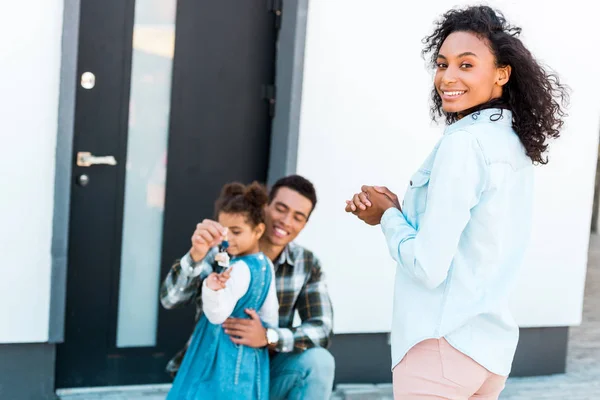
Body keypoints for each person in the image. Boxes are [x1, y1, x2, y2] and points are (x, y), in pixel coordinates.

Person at [345, 6, 568, 400]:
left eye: (467, 64)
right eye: (442, 63)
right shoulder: (513, 142)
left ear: (502, 73)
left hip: (440, 348)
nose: (448, 77)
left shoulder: (464, 143)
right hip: (489, 352)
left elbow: (428, 268)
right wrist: (400, 209)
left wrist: (388, 218)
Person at [161, 175, 335, 400]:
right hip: (212, 370)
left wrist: (268, 337)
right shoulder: (222, 251)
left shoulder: (307, 263)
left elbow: (322, 328)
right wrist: (196, 254)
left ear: (304, 225)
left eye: (297, 217)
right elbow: (170, 299)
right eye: (280, 209)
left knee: (319, 362)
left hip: (264, 371)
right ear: (265, 207)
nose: (286, 221)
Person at [166, 181, 278, 399]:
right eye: (223, 231)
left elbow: (217, 315)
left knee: (199, 390)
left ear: (258, 230)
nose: (227, 239)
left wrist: (210, 287)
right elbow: (270, 314)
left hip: (220, 353)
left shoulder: (238, 269)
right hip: (249, 357)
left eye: (236, 231)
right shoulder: (266, 265)